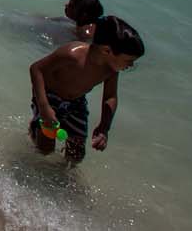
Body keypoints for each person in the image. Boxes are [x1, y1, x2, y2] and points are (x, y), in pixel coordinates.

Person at [28, 16, 146, 164]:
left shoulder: (111, 70)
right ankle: (34, 138)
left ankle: (62, 179)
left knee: (76, 153)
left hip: (77, 103)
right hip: (50, 97)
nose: (131, 65)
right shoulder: (72, 54)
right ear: (107, 50)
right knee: (45, 148)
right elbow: (36, 69)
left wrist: (104, 126)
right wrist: (44, 107)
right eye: (129, 60)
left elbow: (110, 97)